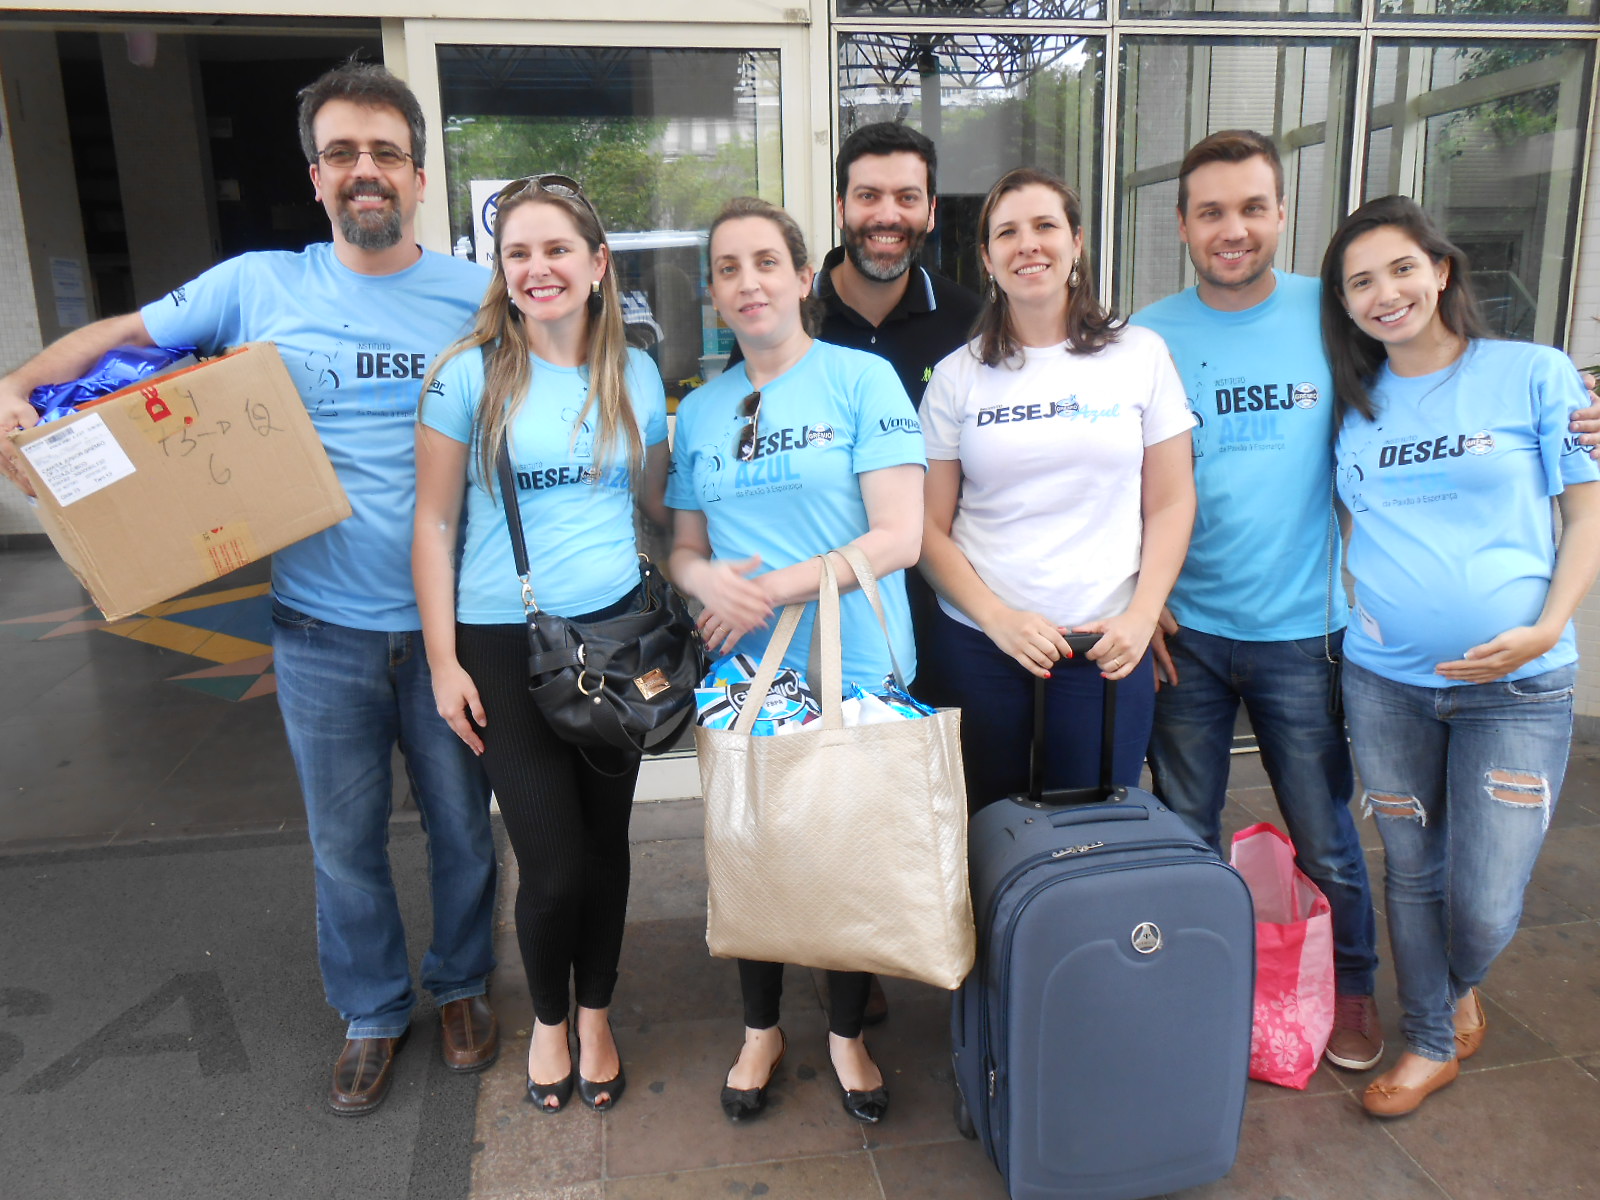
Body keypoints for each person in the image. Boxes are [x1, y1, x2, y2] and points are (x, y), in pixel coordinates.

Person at [0, 62, 500, 1116]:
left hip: (455, 628)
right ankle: (371, 1009)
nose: (367, 173)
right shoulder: (254, 286)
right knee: (342, 840)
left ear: (419, 173)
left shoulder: (475, 295)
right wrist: (19, 385)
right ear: (316, 176)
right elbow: (128, 339)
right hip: (319, 631)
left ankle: (460, 984)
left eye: (386, 154)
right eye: (344, 155)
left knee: (462, 828)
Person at [1320, 195, 1600, 1117]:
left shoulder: (1533, 373)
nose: (1384, 293)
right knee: (1411, 866)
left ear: (1441, 270)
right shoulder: (1354, 403)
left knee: (1482, 895)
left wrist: (1549, 620)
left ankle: (1457, 981)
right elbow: (1356, 520)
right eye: (1360, 282)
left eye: (1401, 269)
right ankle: (1430, 1038)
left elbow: (1585, 509)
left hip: (1519, 686)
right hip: (1386, 682)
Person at [1128, 130, 1386, 1071]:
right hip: (1184, 632)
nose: (1231, 229)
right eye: (1210, 212)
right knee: (1185, 829)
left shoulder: (1338, 314)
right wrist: (1138, 594)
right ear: (1184, 225)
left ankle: (1349, 991)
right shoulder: (1146, 335)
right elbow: (1119, 476)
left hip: (1304, 634)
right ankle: (1194, 992)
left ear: (1280, 214)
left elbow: (1446, 375)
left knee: (1324, 832)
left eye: (1250, 208)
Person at [666, 196, 924, 1125]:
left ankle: (847, 1033)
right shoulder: (697, 411)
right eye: (729, 269)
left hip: (855, 660)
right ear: (714, 293)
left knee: (849, 853)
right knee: (753, 850)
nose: (749, 283)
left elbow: (900, 537)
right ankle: (761, 1028)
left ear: (804, 277)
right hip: (749, 673)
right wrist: (705, 581)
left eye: (766, 262)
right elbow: (682, 548)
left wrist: (768, 590)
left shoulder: (862, 382)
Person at [413, 175, 668, 1114]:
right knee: (552, 861)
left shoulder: (635, 371)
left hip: (615, 634)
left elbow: (654, 503)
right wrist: (443, 662)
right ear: (503, 271)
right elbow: (434, 525)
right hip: (500, 642)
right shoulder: (468, 374)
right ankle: (550, 1020)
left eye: (557, 249)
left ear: (598, 264)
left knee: (607, 847)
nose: (538, 268)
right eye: (518, 252)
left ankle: (595, 1014)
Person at [918, 167, 1196, 810]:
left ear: (1076, 242)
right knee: (985, 836)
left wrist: (1142, 612)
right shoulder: (959, 376)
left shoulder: (1140, 354)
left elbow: (1173, 500)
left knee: (1098, 838)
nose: (1028, 244)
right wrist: (999, 620)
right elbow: (928, 530)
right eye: (1007, 232)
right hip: (983, 647)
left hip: (1105, 648)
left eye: (1045, 226)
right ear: (987, 258)